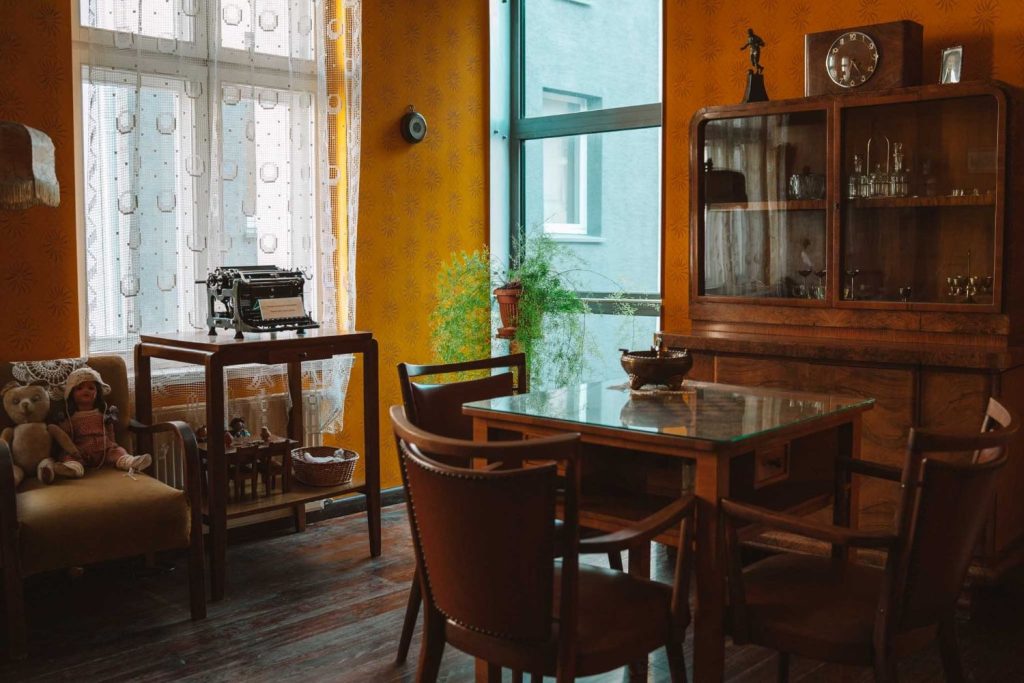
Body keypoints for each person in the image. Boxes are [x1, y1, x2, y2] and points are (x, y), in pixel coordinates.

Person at [56, 366, 152, 478]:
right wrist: (63, 425)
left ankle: (131, 462)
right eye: (80, 388)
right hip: (81, 451)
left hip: (105, 450)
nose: (86, 390)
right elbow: (67, 436)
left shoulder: (103, 414)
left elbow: (110, 432)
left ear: (97, 393)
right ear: (71, 394)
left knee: (119, 452)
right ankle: (72, 469)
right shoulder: (71, 418)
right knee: (71, 458)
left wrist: (113, 443)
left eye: (91, 388)